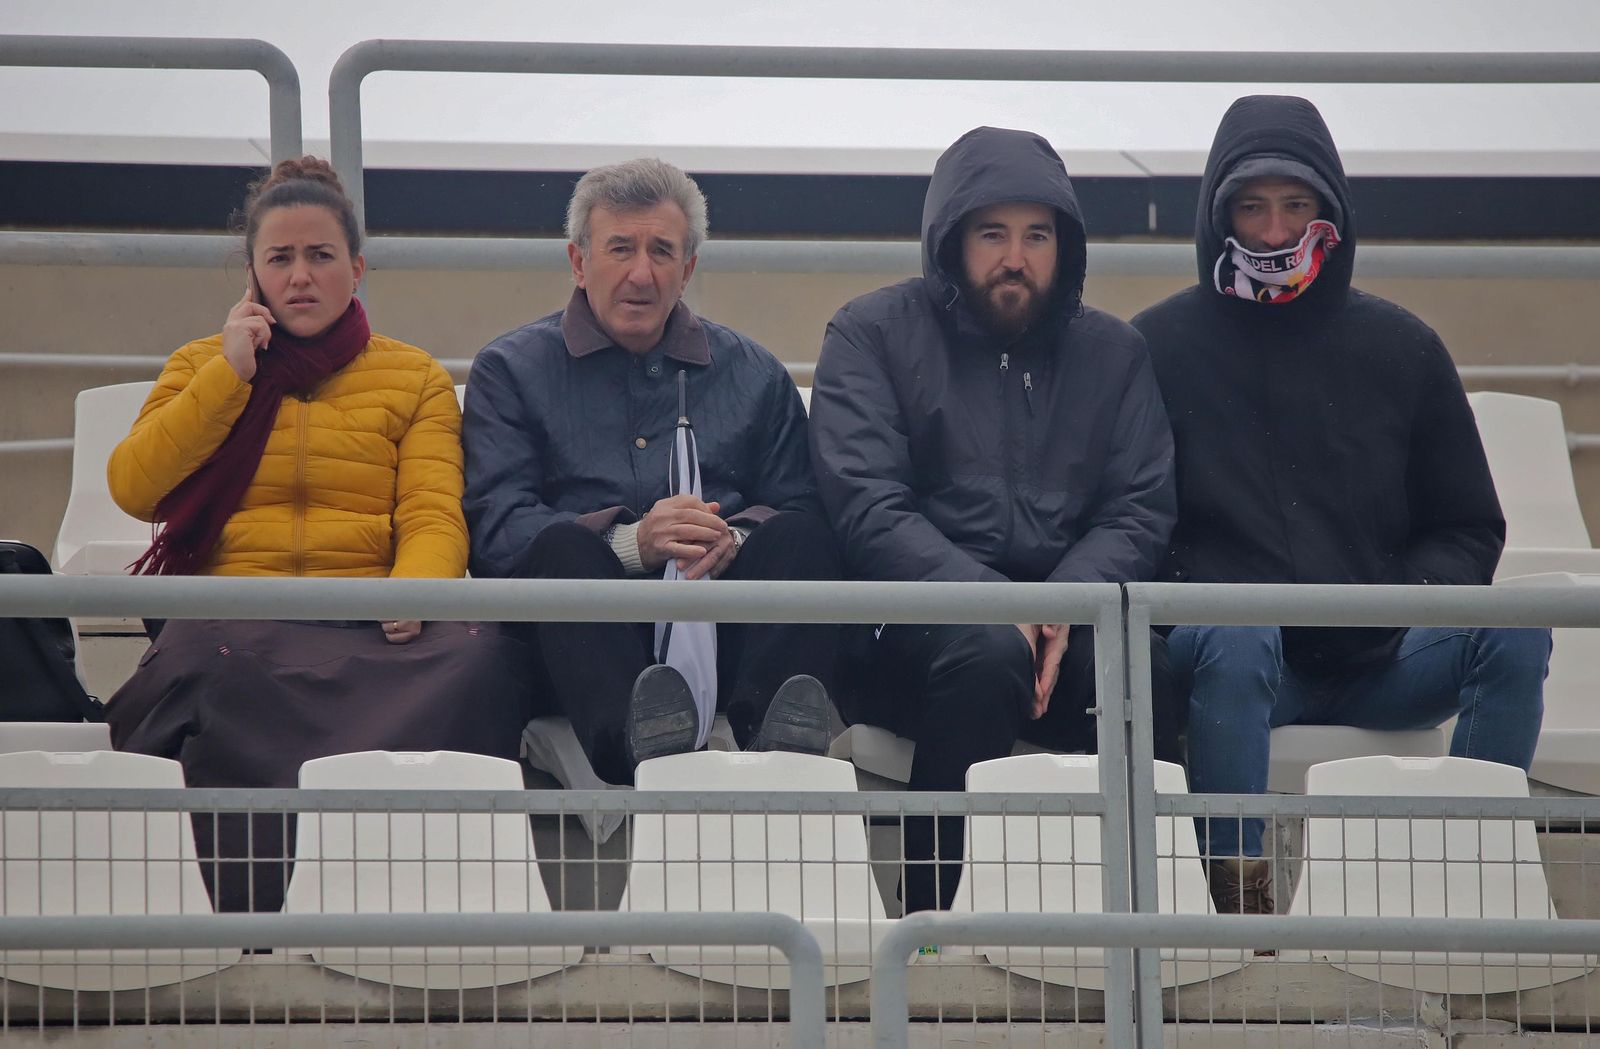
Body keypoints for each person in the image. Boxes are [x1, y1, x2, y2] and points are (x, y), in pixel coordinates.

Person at [1131, 95, 1551, 916]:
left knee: (1520, 624)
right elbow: (1128, 517)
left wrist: (1393, 599)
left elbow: (1468, 524)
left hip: (1383, 657)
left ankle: (1471, 880)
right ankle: (1235, 901)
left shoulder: (1403, 347)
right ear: (1219, 217)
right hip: (1240, 665)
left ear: (1331, 211)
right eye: (1252, 207)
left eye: (1297, 205)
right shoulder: (1154, 346)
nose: (1276, 228)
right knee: (1236, 633)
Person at [105, 157, 532, 912]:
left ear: (357, 268)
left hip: (366, 625)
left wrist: (417, 586)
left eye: (321, 256)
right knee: (198, 659)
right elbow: (136, 487)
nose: (301, 276)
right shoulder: (200, 365)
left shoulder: (415, 377)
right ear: (253, 275)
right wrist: (228, 377)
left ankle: (412, 893)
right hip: (238, 618)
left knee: (484, 652)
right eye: (281, 258)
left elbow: (434, 509)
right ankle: (244, 904)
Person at [809, 126, 1183, 913]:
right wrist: (996, 604)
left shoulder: (1115, 353)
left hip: (1068, 618)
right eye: (993, 233)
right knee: (983, 656)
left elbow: (1139, 506)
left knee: (1139, 671)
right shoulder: (870, 333)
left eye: (1037, 235)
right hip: (912, 628)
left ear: (1066, 246)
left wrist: (1061, 605)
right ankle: (931, 929)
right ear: (950, 239)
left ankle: (1112, 928)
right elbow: (869, 505)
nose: (1015, 256)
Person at [462, 157, 839, 786]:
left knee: (805, 539)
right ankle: (632, 745)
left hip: (723, 623)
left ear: (687, 269)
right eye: (620, 248)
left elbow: (802, 504)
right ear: (578, 261)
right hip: (585, 641)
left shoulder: (755, 373)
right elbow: (497, 533)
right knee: (559, 548)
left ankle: (775, 737)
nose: (642, 273)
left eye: (662, 251)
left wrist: (730, 541)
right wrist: (631, 544)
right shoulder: (509, 370)